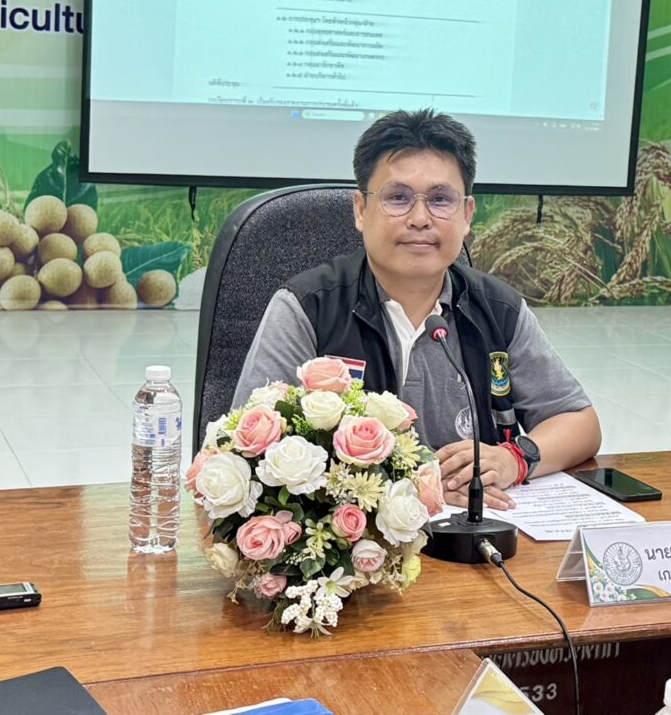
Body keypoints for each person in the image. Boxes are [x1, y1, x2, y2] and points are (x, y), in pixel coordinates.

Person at [233, 109, 601, 509]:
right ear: (360, 210)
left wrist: (515, 459)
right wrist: (418, 487)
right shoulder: (307, 308)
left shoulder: (498, 309)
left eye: (441, 199)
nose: (421, 219)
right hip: (357, 537)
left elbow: (579, 423)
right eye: (398, 198)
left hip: (475, 533)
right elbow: (248, 451)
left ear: (467, 215)